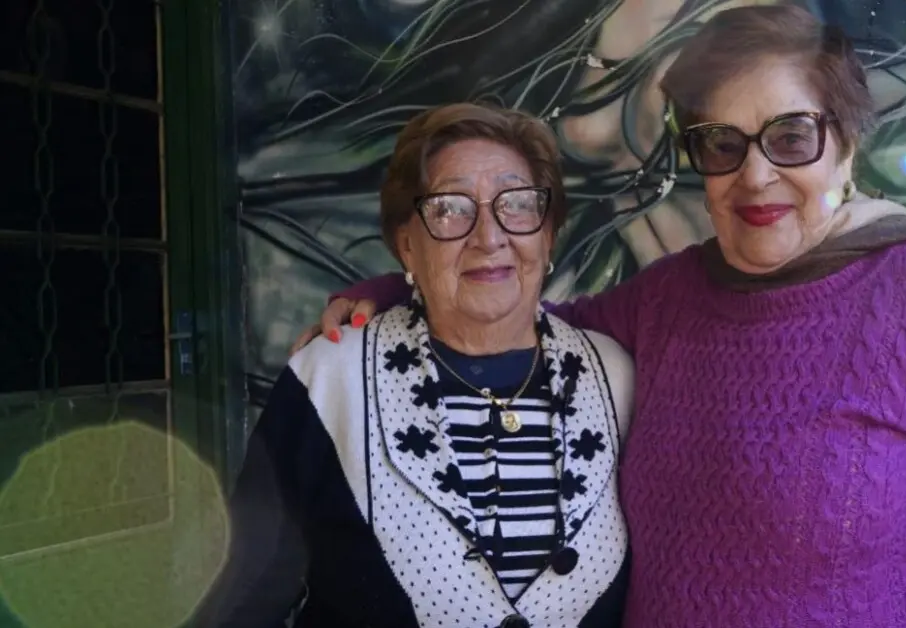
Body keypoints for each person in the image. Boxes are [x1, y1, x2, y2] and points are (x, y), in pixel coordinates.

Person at [295, 6, 906, 627]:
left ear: (846, 144)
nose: (756, 175)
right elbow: (517, 318)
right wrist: (404, 286)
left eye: (791, 137)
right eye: (721, 144)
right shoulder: (666, 299)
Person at [198, 103, 634, 627]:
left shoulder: (615, 377)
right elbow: (241, 600)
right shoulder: (332, 379)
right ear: (407, 245)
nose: (489, 236)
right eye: (450, 208)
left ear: (548, 235)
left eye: (517, 204)